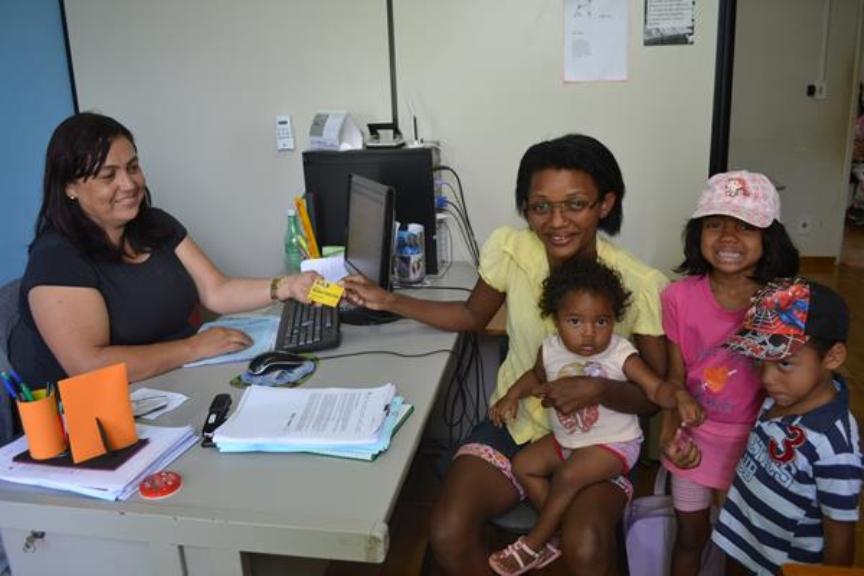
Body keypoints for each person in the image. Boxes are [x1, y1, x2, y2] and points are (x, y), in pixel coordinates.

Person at [344, 133, 670, 575]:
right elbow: (469, 315)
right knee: (447, 529)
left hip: (600, 440)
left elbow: (653, 398)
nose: (557, 221)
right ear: (526, 209)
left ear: (605, 205)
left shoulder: (639, 283)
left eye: (576, 204)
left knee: (586, 543)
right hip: (518, 427)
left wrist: (596, 388)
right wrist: (389, 301)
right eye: (540, 207)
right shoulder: (513, 250)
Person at [8, 112, 319, 386]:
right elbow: (89, 365)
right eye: (108, 175)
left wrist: (288, 286)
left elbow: (217, 290)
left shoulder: (155, 225)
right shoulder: (56, 258)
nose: (129, 184)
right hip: (96, 413)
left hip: (168, 382)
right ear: (70, 187)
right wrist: (193, 348)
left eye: (132, 167)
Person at [486, 258, 702, 576]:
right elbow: (535, 377)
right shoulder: (551, 349)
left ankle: (534, 543)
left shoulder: (620, 353)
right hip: (569, 441)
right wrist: (511, 396)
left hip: (614, 445)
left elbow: (656, 389)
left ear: (614, 319)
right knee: (524, 466)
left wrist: (679, 396)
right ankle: (556, 532)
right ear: (556, 319)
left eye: (601, 322)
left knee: (568, 477)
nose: (589, 334)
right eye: (575, 321)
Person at [660, 171, 799, 575]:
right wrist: (671, 434)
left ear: (768, 238)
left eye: (745, 227)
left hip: (754, 446)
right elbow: (674, 381)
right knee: (690, 536)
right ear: (697, 233)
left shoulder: (780, 299)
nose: (727, 238)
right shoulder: (678, 297)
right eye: (715, 224)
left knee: (741, 544)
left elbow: (792, 384)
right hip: (694, 442)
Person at [712, 277, 862, 575]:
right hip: (743, 542)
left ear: (832, 357)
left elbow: (840, 533)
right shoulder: (777, 397)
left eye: (784, 363)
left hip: (782, 566)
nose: (767, 378)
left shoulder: (835, 447)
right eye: (760, 361)